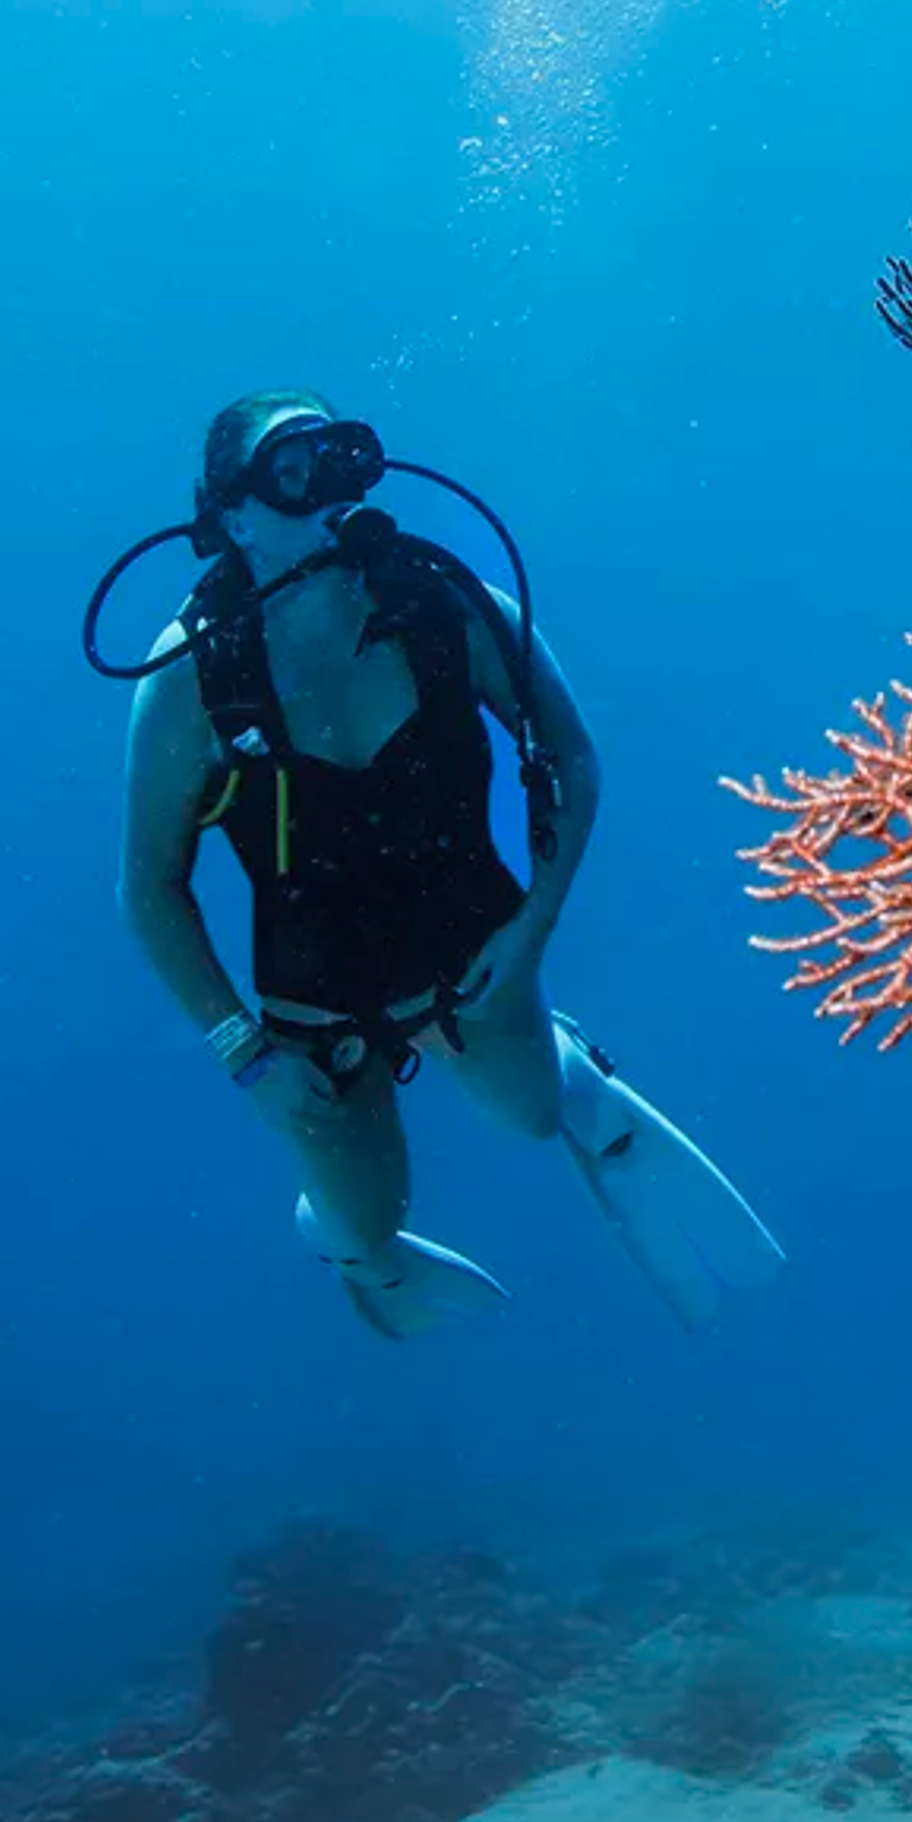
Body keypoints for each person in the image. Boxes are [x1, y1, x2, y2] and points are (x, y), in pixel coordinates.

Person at [108, 391, 783, 1338]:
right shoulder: (190, 675)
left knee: (532, 1117)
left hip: (478, 949)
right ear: (230, 514)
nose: (325, 490)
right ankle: (356, 1257)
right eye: (290, 470)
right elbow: (148, 886)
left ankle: (577, 1078)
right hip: (311, 1005)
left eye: (338, 456)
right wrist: (244, 1053)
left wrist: (532, 934)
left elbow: (575, 762)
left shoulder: (445, 602)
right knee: (366, 1220)